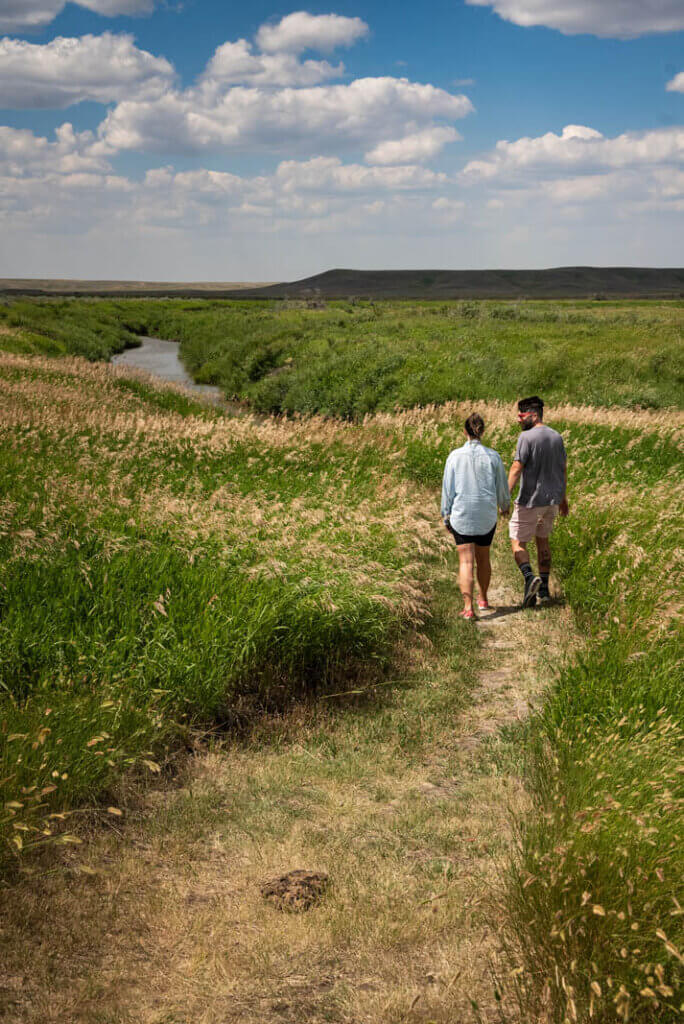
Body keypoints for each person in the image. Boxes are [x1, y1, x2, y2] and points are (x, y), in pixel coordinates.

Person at [441, 412, 511, 620]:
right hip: (486, 515)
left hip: (462, 514)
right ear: (483, 431)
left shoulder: (454, 456)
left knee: (466, 562)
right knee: (484, 558)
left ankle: (468, 607)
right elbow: (501, 486)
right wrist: (504, 505)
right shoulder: (493, 456)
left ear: (464, 431)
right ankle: (484, 598)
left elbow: (448, 489)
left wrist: (446, 513)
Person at [508, 396, 569, 608]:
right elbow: (562, 470)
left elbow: (517, 468)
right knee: (543, 540)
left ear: (533, 415)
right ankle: (543, 590)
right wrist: (563, 499)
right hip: (551, 500)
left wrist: (505, 496)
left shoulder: (526, 437)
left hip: (529, 501)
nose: (518, 420)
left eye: (521, 416)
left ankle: (529, 577)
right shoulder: (557, 437)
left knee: (517, 542)